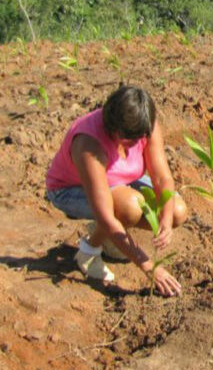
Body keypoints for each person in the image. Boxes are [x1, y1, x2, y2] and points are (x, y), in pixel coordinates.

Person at [45, 85, 186, 296]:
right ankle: (89, 251)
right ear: (113, 128)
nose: (138, 144)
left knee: (177, 211)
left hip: (120, 183)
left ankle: (113, 240)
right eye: (131, 140)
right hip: (70, 190)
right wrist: (149, 267)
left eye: (142, 138)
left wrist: (165, 219)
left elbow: (162, 178)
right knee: (129, 207)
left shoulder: (144, 123)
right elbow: (107, 216)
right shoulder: (88, 144)